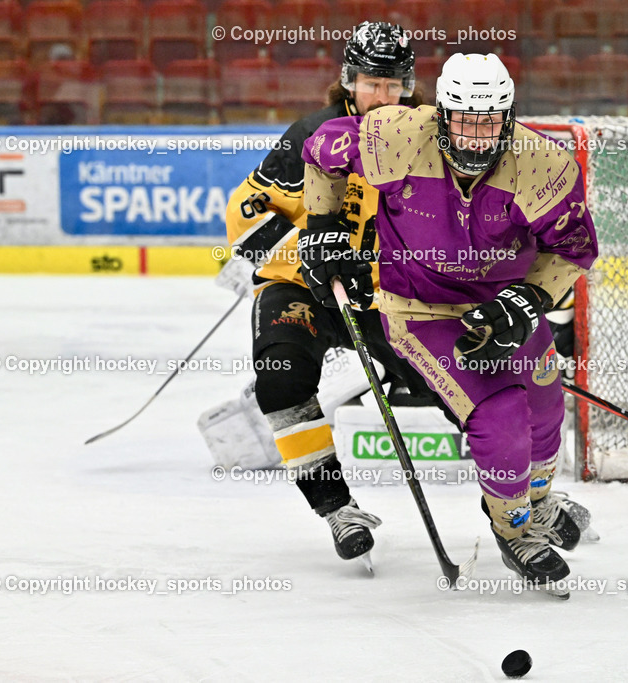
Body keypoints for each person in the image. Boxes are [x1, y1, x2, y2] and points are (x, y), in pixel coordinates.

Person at [299, 53, 599, 590]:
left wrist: (529, 297)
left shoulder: (543, 165)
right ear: (442, 114)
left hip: (504, 306)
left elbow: (573, 249)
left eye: (489, 122)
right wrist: (322, 227)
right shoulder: (393, 134)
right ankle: (515, 529)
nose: (476, 136)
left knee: (546, 405)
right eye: (464, 119)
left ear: (508, 117)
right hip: (420, 310)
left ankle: (534, 500)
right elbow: (319, 149)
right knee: (500, 414)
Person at [221, 21, 441, 569]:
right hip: (302, 288)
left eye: (394, 86)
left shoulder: (430, 142)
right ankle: (337, 508)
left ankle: (522, 503)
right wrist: (310, 247)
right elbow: (246, 219)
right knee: (280, 379)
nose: (383, 97)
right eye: (372, 84)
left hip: (387, 295)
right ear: (348, 80)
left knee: (452, 376)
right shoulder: (311, 135)